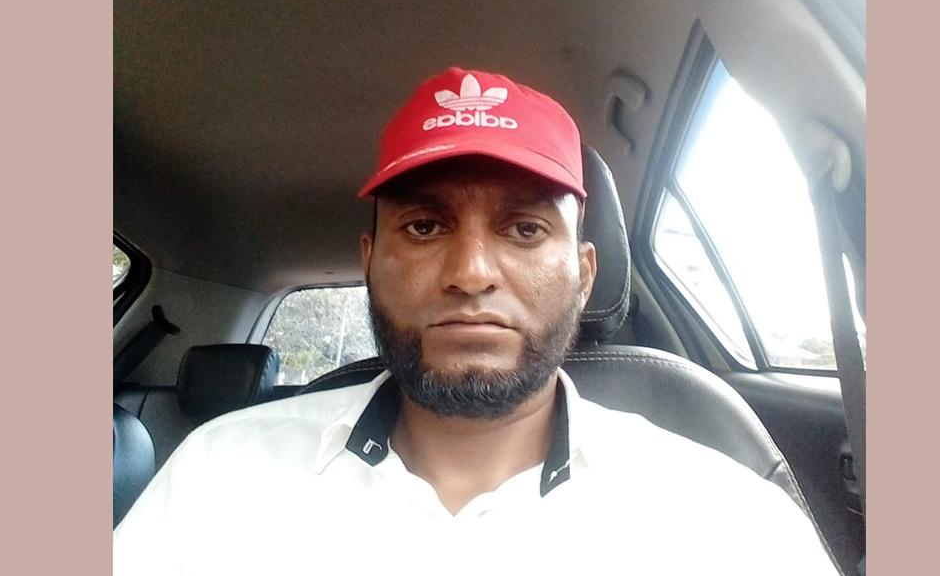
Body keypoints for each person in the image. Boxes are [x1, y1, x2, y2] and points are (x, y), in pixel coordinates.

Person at [113, 67, 838, 575]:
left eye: (524, 229)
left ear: (584, 273)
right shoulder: (218, 475)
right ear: (371, 261)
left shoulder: (724, 517)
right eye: (425, 227)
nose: (470, 271)